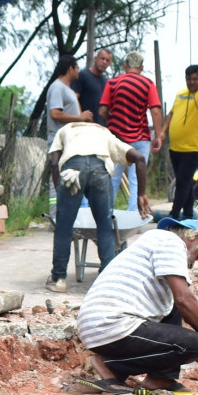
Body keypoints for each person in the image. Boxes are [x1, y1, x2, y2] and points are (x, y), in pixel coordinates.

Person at [74, 218, 198, 392]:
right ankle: (111, 365)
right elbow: (184, 299)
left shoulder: (155, 241)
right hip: (109, 324)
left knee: (172, 308)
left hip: (99, 325)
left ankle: (161, 378)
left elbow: (174, 310)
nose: (192, 264)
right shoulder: (171, 242)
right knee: (194, 343)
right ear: (194, 237)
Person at [46, 119, 143, 290]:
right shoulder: (103, 132)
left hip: (72, 170)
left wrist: (60, 189)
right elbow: (139, 157)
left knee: (64, 227)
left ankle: (58, 279)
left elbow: (54, 163)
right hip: (100, 170)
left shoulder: (66, 129)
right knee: (105, 225)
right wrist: (142, 194)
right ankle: (108, 279)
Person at [99, 51, 163, 218]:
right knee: (136, 180)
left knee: (113, 178)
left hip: (117, 139)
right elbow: (155, 111)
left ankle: (107, 215)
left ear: (125, 65)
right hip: (141, 138)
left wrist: (113, 118)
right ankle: (134, 215)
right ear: (141, 67)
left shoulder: (113, 83)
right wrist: (158, 136)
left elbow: (102, 110)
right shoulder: (148, 84)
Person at [165, 64, 198, 220]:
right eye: (188, 79)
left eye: (195, 79)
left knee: (182, 182)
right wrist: (161, 134)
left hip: (194, 148)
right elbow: (171, 114)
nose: (192, 82)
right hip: (175, 148)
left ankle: (174, 215)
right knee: (185, 182)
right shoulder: (181, 93)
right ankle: (188, 214)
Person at [44, 53, 96, 125]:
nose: (78, 71)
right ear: (70, 69)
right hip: (59, 136)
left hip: (70, 135)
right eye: (77, 68)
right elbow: (55, 113)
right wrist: (79, 118)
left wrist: (84, 118)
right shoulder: (57, 87)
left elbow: (79, 117)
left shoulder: (70, 90)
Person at [72, 48, 112, 122]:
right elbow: (73, 99)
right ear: (95, 58)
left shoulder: (107, 82)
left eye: (107, 60)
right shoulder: (82, 75)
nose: (104, 62)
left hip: (101, 128)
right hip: (84, 125)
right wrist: (80, 117)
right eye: (102, 58)